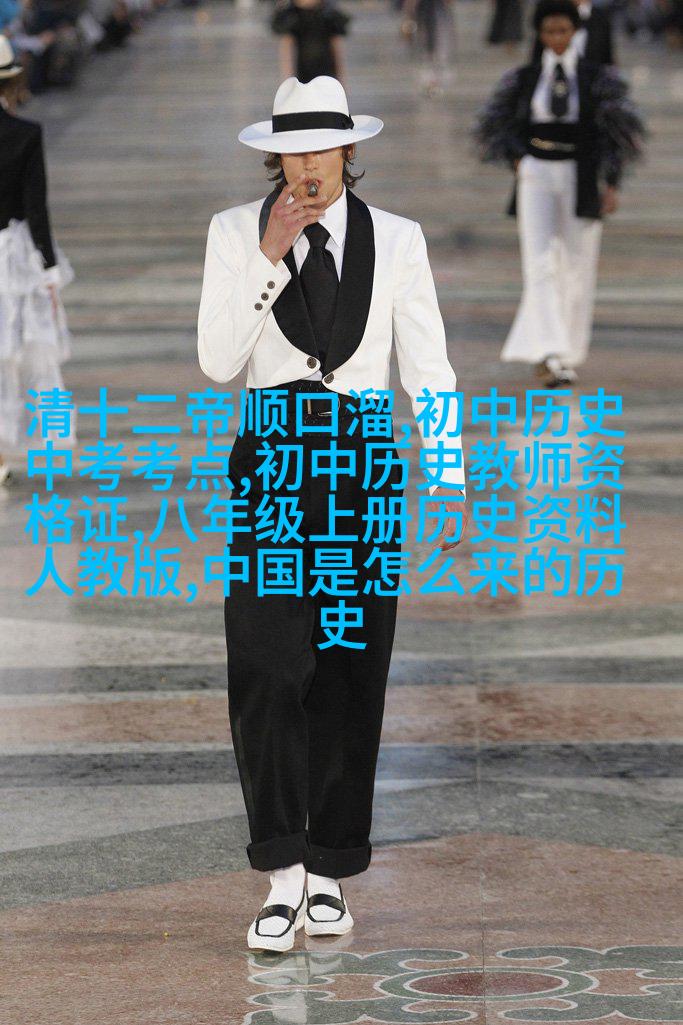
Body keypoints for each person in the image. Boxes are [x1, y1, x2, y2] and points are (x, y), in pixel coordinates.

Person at [198, 74, 469, 952]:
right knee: (267, 663)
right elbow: (216, 360)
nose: (306, 165)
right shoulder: (234, 232)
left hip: (363, 465)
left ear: (348, 151)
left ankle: (329, 870)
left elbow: (427, 365)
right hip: (273, 460)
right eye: (291, 151)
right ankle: (281, 872)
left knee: (352, 666)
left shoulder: (398, 238)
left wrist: (448, 473)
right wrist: (266, 258)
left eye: (320, 147)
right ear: (274, 158)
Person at [473, 0, 645, 386]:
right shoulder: (526, 77)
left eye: (563, 30)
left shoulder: (596, 78)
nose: (556, 38)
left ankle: (567, 351)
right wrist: (517, 158)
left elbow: (618, 132)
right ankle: (549, 352)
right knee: (539, 261)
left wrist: (611, 182)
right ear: (540, 33)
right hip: (536, 172)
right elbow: (497, 123)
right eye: (549, 31)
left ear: (575, 32)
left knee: (578, 263)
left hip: (580, 174)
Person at [0, 35, 76, 487]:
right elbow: (36, 209)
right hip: (11, 258)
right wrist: (48, 268)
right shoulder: (25, 135)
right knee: (12, 354)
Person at [270, 0, 350, 87]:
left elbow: (336, 48)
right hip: (301, 73)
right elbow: (287, 49)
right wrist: (288, 81)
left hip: (326, 72)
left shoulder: (328, 14)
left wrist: (341, 80)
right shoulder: (290, 16)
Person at [529, 0, 616, 63]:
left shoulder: (601, 18)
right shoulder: (549, 11)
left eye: (563, 31)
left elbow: (606, 57)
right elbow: (537, 56)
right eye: (552, 32)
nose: (557, 38)